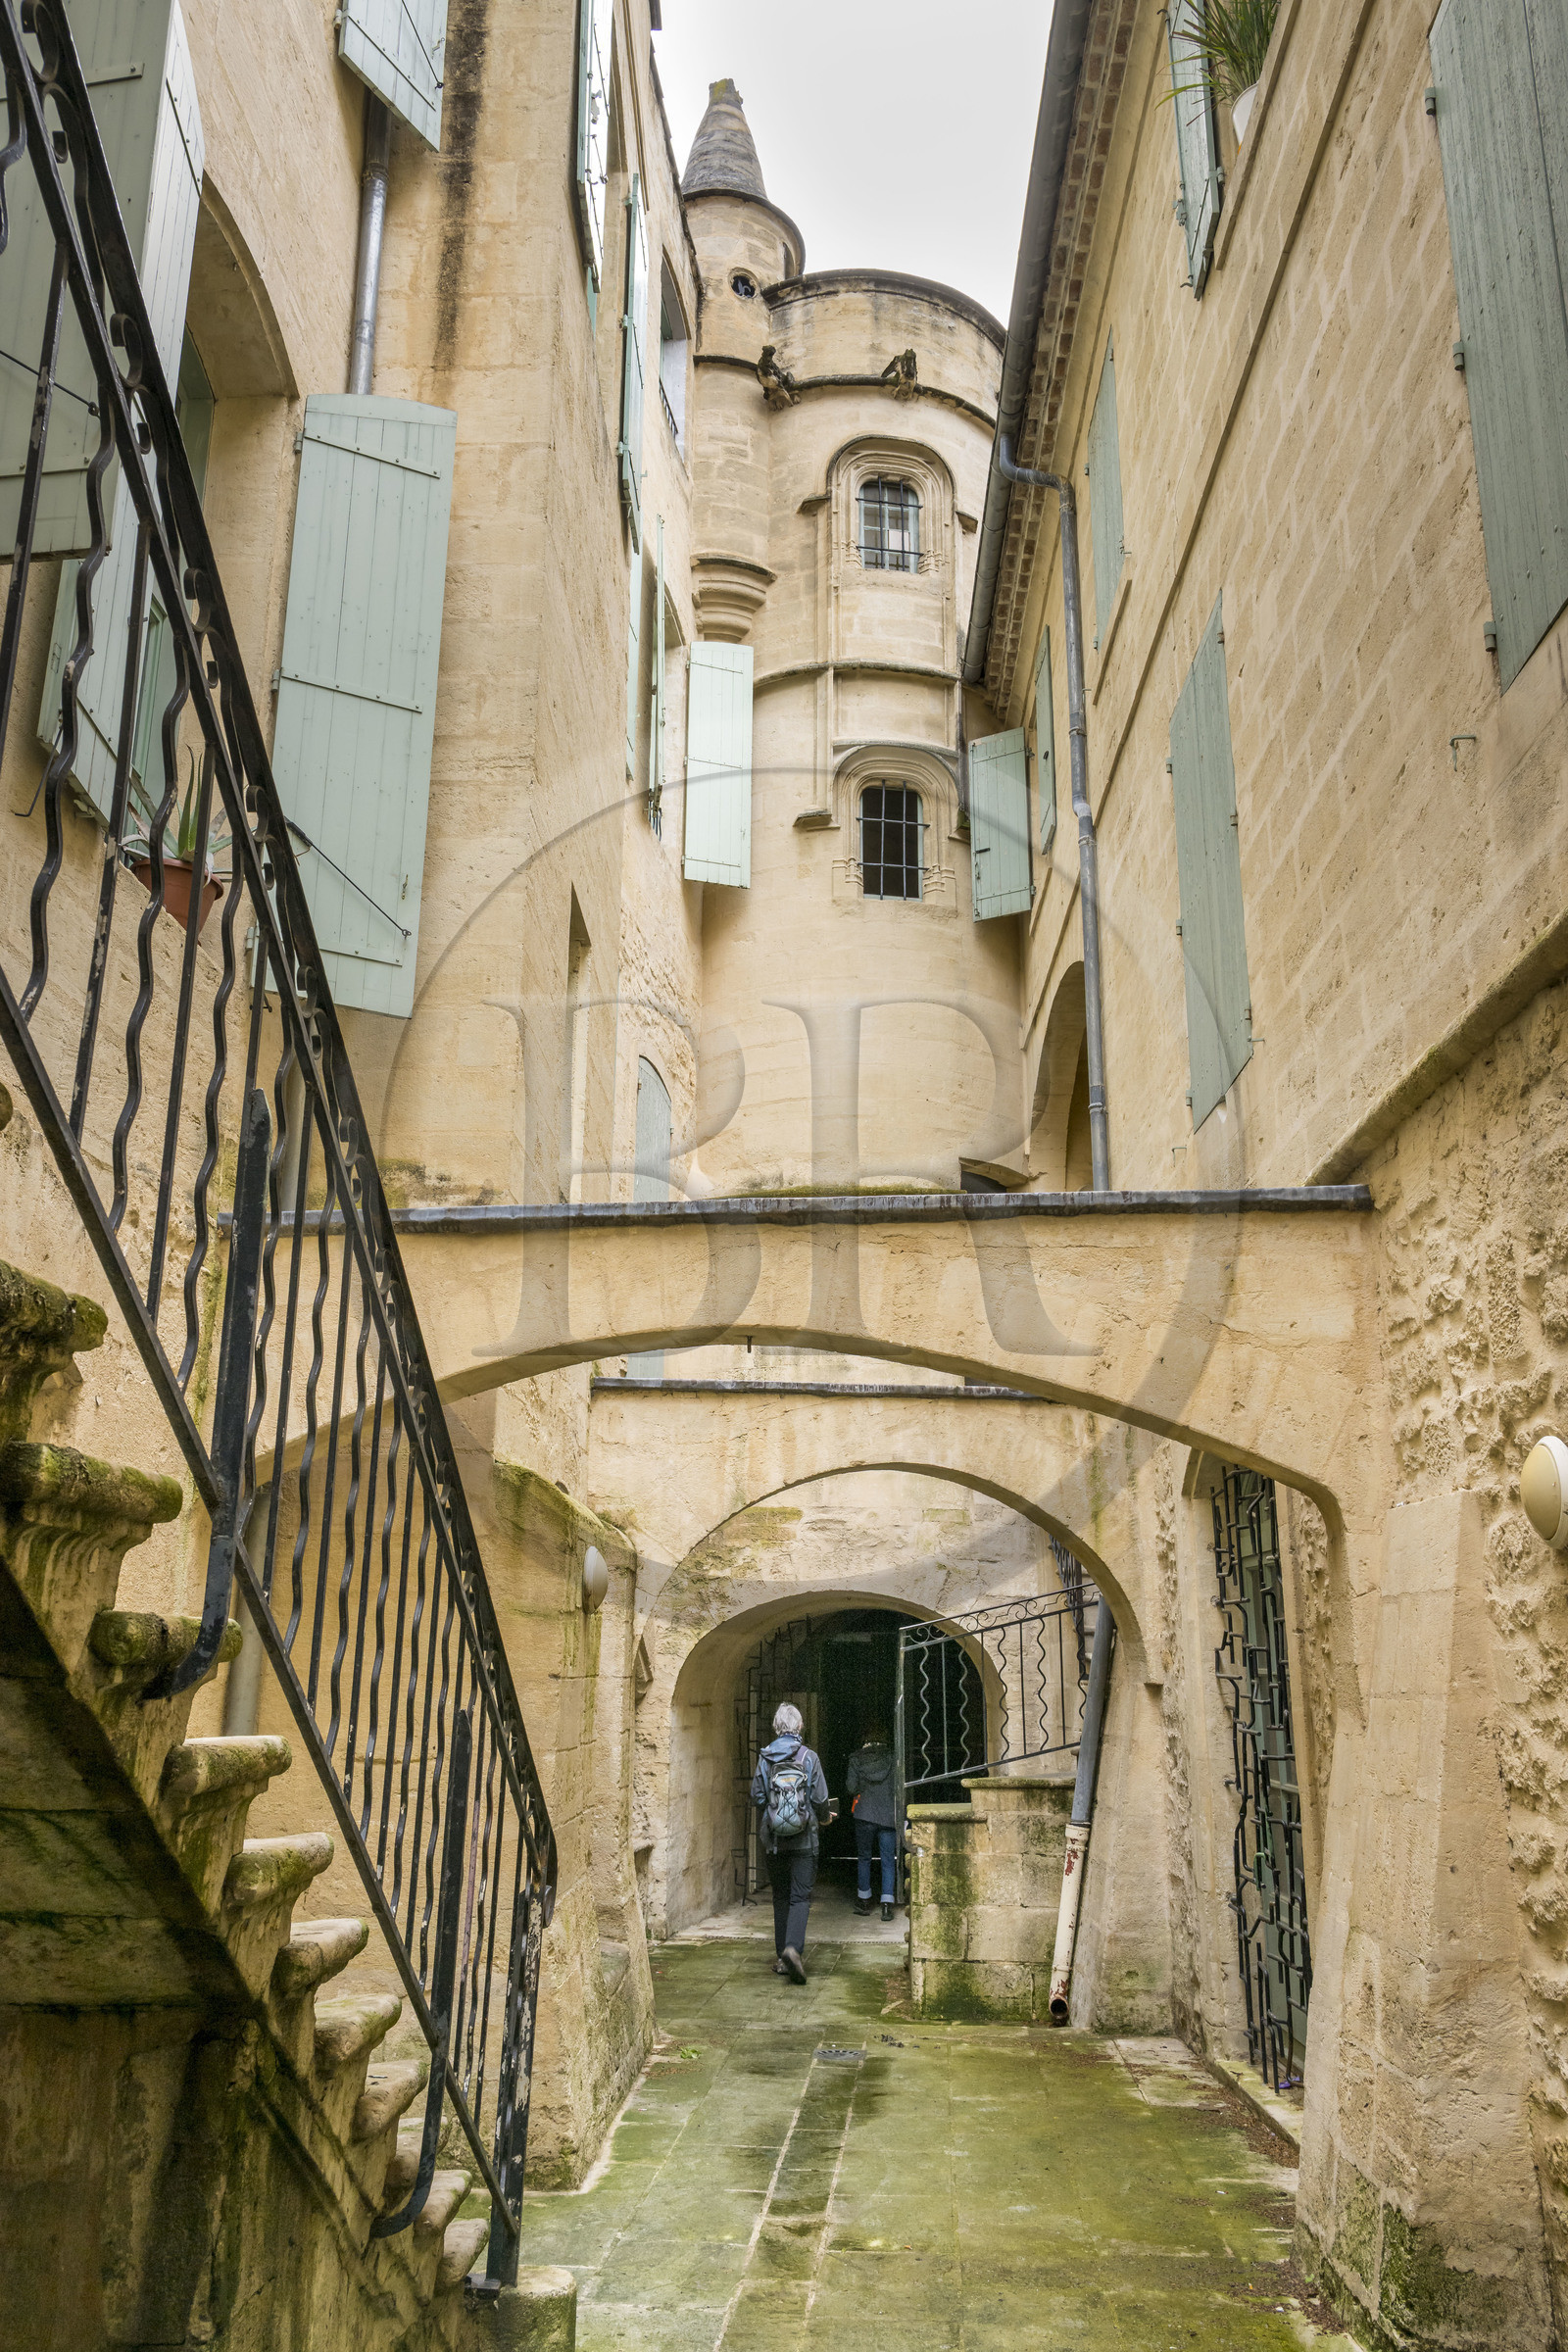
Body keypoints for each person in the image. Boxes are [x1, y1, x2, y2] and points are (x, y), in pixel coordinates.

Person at [751, 1701, 833, 1984]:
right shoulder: (809, 1757)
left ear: (776, 1727)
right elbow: (821, 1800)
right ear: (800, 1727)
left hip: (773, 1840)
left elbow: (757, 1797)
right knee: (800, 1897)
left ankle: (782, 1959)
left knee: (780, 1897)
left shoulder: (765, 1758)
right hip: (804, 1840)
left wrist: (775, 1816)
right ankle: (793, 1950)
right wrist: (823, 1818)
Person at [845, 1722, 899, 1920]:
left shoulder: (856, 1759)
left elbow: (851, 1788)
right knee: (887, 1860)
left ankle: (864, 1900)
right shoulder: (893, 1757)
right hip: (887, 1815)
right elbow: (897, 1787)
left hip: (864, 1814)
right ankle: (887, 1904)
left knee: (864, 1857)